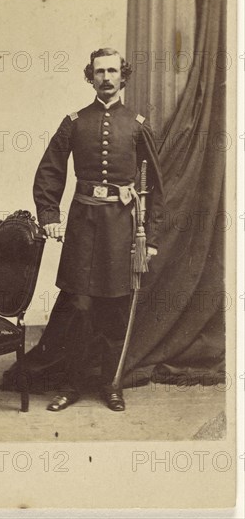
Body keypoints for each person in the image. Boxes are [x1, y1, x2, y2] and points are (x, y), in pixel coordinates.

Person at [33, 47, 164, 412]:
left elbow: (154, 185)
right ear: (90, 77)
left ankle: (111, 386)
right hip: (82, 227)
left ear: (123, 76)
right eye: (99, 72)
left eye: (112, 71)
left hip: (122, 231)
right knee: (79, 307)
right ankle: (71, 384)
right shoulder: (74, 121)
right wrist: (50, 216)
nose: (106, 78)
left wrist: (149, 239)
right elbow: (49, 171)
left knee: (116, 309)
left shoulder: (137, 124)